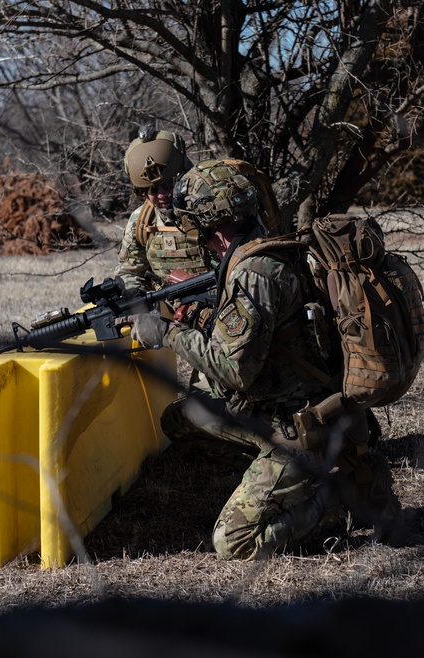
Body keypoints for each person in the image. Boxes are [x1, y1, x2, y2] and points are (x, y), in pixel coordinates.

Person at [119, 160, 405, 560]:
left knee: (234, 544)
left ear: (208, 226)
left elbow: (233, 370)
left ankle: (342, 501)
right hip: (291, 409)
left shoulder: (253, 274)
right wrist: (195, 314)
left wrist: (165, 331)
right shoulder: (271, 248)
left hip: (298, 428)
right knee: (179, 419)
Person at [114, 127, 210, 295]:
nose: (161, 194)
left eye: (168, 184)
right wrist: (134, 295)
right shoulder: (141, 220)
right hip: (167, 311)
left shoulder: (209, 211)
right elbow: (129, 272)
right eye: (151, 189)